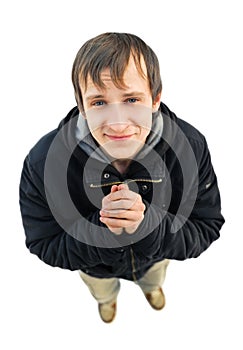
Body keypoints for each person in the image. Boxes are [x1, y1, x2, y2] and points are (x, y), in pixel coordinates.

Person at [19, 32, 225, 323]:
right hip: (96, 270)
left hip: (154, 259)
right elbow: (44, 243)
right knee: (102, 290)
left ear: (155, 99)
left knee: (153, 278)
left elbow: (205, 226)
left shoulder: (189, 148)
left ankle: (152, 290)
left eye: (131, 99)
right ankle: (108, 301)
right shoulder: (44, 162)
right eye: (99, 103)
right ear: (82, 106)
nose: (117, 123)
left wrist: (148, 228)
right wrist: (103, 233)